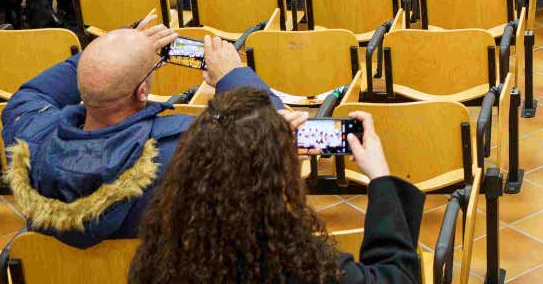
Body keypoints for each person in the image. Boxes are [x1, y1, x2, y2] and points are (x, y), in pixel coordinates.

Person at [2, 13, 278, 248]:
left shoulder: (30, 135)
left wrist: (109, 55)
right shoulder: (186, 150)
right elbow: (276, 135)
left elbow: (30, 94)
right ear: (142, 92)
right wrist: (233, 75)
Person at [127, 88, 423, 284]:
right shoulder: (293, 264)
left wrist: (265, 141)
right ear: (271, 179)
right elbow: (397, 276)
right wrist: (380, 178)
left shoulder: (162, 251)